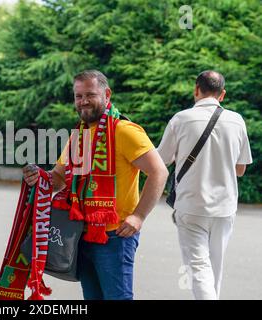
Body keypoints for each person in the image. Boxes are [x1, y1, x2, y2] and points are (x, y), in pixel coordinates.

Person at [23, 70, 168, 300]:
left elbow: (159, 171)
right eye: (78, 96)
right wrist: (42, 178)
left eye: (90, 94)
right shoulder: (78, 135)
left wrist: (139, 216)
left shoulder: (125, 131)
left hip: (114, 237)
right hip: (82, 234)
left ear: (107, 94)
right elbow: (59, 178)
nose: (83, 101)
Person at [157, 70, 253, 300]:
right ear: (223, 94)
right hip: (225, 207)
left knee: (199, 268)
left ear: (196, 90)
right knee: (214, 268)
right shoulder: (237, 121)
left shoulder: (180, 119)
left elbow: (161, 161)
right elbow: (241, 169)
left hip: (191, 205)